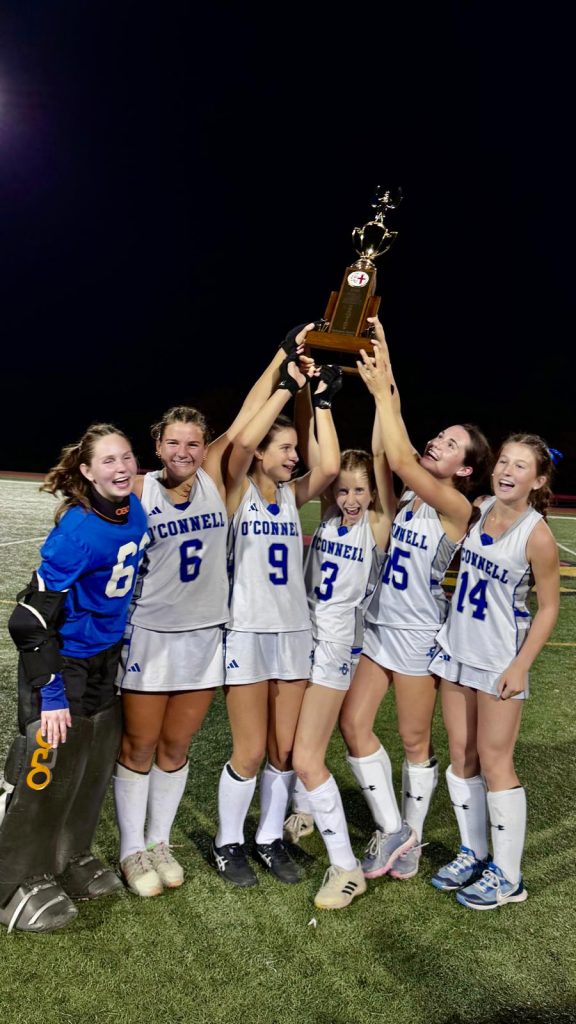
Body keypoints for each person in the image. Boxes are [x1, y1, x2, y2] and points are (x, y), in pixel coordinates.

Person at [113, 342, 301, 898]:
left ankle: (160, 842)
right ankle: (131, 850)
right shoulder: (141, 489)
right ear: (157, 445)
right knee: (139, 747)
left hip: (203, 638)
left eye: (194, 443)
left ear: (204, 447)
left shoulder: (218, 481)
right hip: (150, 635)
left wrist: (283, 367)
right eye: (173, 442)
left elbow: (246, 424)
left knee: (176, 748)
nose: (184, 451)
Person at [338, 321, 492, 883]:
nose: (437, 444)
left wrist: (383, 389)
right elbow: (388, 447)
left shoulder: (457, 508)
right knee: (353, 725)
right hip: (379, 627)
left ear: (466, 469)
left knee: (413, 739)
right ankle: (393, 828)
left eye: (451, 445)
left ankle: (414, 837)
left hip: (418, 636)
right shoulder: (408, 498)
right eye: (439, 436)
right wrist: (384, 362)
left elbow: (401, 457)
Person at [0, 424, 149, 933]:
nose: (121, 467)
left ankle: (68, 855)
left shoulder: (134, 509)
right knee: (48, 759)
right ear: (87, 471)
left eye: (126, 456)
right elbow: (27, 620)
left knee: (93, 760)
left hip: (104, 656)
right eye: (108, 460)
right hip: (63, 661)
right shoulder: (77, 532)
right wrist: (52, 693)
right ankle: (15, 881)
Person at [209, 332, 342, 887]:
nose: (294, 456)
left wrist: (322, 399)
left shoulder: (292, 495)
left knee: (283, 750)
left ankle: (267, 837)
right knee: (248, 750)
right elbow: (240, 442)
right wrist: (286, 386)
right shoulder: (236, 490)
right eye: (284, 448)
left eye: (294, 449)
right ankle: (227, 842)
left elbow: (329, 467)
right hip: (246, 632)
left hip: (293, 633)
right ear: (263, 454)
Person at [428, 434, 559, 909]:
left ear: (537, 481)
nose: (507, 471)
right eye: (504, 461)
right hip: (458, 649)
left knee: (495, 760)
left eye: (521, 466)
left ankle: (508, 877)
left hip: (499, 660)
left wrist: (521, 666)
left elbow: (549, 608)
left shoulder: (536, 535)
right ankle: (474, 852)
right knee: (461, 753)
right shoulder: (479, 507)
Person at [291, 414, 395, 909]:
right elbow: (322, 464)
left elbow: (384, 460)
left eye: (361, 490)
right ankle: (304, 807)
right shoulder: (329, 517)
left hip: (336, 649)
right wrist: (320, 403)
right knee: (296, 742)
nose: (351, 499)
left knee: (306, 754)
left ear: (374, 494)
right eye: (344, 490)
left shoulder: (375, 526)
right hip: (303, 638)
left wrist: (380, 395)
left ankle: (346, 868)